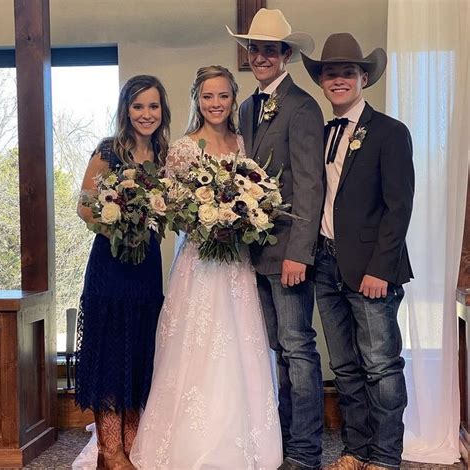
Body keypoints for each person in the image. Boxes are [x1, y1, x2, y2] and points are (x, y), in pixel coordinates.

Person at [130, 65, 282, 469]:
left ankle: (244, 442)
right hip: (199, 261)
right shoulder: (183, 148)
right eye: (207, 96)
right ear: (197, 100)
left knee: (239, 345)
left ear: (233, 99)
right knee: (195, 348)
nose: (216, 104)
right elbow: (173, 212)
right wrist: (203, 214)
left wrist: (239, 217)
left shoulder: (243, 142)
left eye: (223, 96)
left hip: (236, 263)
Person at [301, 33, 414, 470]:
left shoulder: (389, 132)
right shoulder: (324, 133)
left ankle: (385, 458)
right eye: (331, 73)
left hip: (372, 269)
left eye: (348, 72)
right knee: (345, 367)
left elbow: (399, 207)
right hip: (326, 265)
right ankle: (355, 451)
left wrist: (380, 269)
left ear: (363, 77)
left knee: (381, 367)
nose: (339, 80)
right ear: (322, 81)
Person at [227, 8, 324, 470]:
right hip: (253, 254)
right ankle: (280, 442)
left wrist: (299, 254)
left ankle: (305, 451)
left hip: (288, 254)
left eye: (270, 49)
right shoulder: (245, 108)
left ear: (285, 55)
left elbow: (309, 186)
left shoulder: (303, 107)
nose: (261, 56)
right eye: (255, 48)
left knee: (298, 348)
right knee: (273, 351)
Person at [75, 75, 170, 470]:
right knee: (111, 358)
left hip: (147, 269)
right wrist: (119, 223)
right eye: (138, 106)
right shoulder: (107, 151)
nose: (146, 114)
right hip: (110, 267)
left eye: (153, 106)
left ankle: (128, 451)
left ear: (162, 111)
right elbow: (84, 206)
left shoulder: (166, 156)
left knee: (139, 357)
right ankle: (110, 452)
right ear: (125, 110)